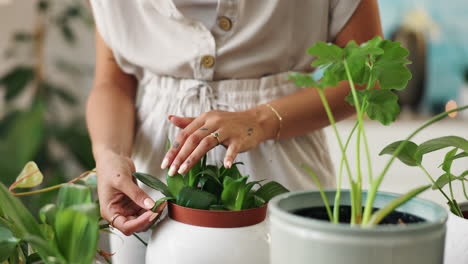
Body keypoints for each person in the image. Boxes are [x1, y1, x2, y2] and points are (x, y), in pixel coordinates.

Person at [86, 0, 382, 262]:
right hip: (150, 176)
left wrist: (261, 119)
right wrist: (110, 155)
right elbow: (113, 82)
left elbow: (367, 75)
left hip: (284, 156)